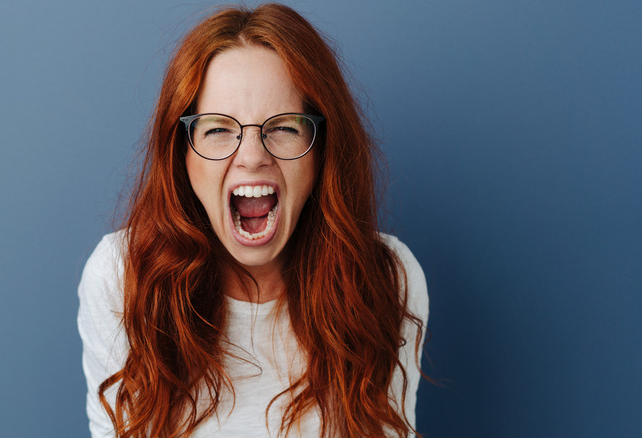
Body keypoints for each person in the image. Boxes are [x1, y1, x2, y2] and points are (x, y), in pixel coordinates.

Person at [78, 3, 428, 437]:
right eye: (217, 128)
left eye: (283, 126)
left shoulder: (386, 278)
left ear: (321, 151)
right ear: (181, 155)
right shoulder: (123, 277)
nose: (252, 157)